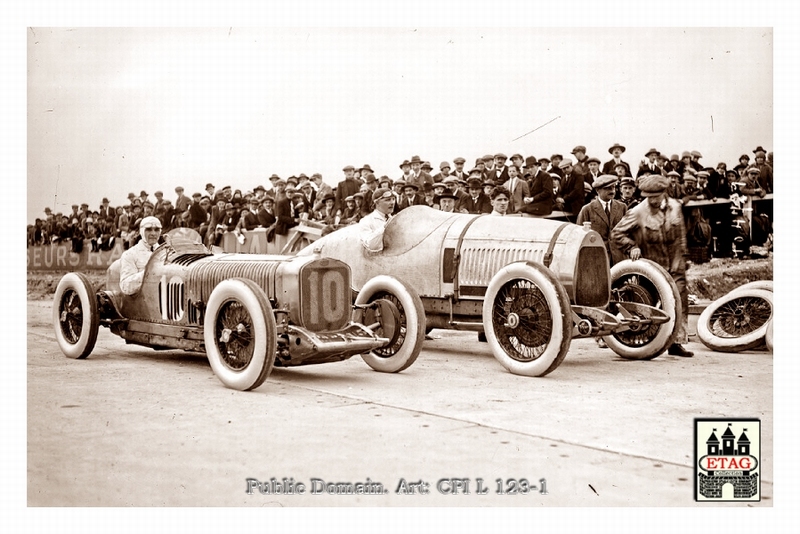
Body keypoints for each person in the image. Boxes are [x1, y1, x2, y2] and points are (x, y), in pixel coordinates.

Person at [611, 175, 693, 357]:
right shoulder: (638, 212)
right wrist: (632, 246)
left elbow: (681, 236)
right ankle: (647, 341)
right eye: (649, 196)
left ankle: (676, 342)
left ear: (664, 193)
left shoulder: (676, 207)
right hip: (652, 269)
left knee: (679, 303)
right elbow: (617, 233)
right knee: (652, 304)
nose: (653, 200)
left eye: (656, 196)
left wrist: (684, 258)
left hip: (675, 265)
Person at [577, 174, 628, 266]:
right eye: (607, 188)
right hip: (597, 258)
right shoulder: (587, 209)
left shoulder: (622, 207)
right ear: (597, 191)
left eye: (613, 187)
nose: (612, 191)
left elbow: (629, 232)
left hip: (619, 257)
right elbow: (579, 237)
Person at [119, 216, 162, 295]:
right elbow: (125, 287)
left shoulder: (166, 253)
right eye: (148, 229)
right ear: (141, 231)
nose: (153, 233)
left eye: (156, 230)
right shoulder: (130, 254)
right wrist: (149, 273)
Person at [359, 188, 396, 254]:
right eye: (387, 200)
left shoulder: (395, 219)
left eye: (393, 199)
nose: (392, 203)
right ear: (377, 203)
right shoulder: (366, 221)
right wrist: (386, 226)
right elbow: (371, 245)